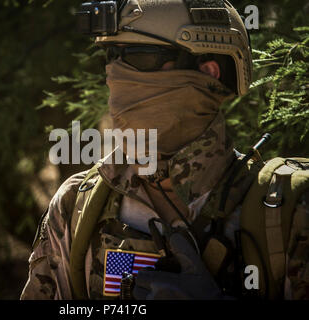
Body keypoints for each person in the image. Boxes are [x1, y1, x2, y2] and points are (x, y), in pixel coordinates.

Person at [21, 0, 309, 300]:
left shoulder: (287, 211)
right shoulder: (77, 205)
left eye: (139, 57)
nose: (116, 72)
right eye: (112, 56)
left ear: (209, 72)